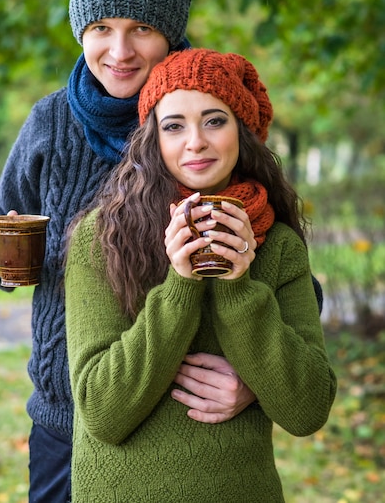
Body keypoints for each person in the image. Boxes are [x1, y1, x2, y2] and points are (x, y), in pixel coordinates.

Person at [0, 0, 254, 503]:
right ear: (80, 31)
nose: (119, 50)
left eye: (141, 28)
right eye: (101, 27)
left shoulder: (206, 125)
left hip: (180, 428)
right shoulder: (50, 123)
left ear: (171, 32)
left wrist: (253, 380)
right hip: (64, 422)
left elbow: (293, 280)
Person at [65, 48, 337, 502]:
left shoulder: (280, 247)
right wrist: (181, 284)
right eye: (173, 126)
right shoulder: (102, 237)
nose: (195, 142)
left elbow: (307, 410)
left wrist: (237, 285)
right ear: (152, 139)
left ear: (242, 132)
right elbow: (102, 411)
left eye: (214, 120)